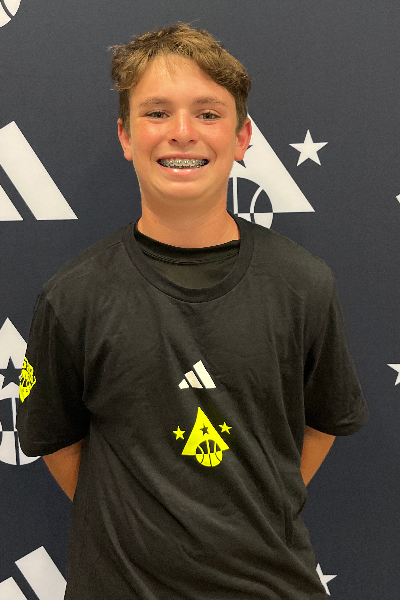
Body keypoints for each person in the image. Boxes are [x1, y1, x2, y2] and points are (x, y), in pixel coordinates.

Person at [17, 22, 368, 600]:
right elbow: (56, 441)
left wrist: (251, 507)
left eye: (208, 114)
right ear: (126, 135)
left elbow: (324, 421)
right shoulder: (74, 296)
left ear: (242, 136)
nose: (182, 133)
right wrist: (144, 524)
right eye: (157, 113)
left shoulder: (303, 284)